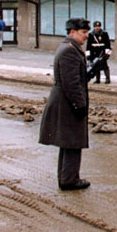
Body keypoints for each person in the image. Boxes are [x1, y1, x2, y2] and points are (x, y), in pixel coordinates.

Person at [39, 17, 93, 191]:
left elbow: (76, 77)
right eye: (83, 32)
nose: (86, 36)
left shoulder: (70, 48)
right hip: (67, 102)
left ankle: (67, 177)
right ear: (72, 32)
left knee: (68, 141)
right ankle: (69, 180)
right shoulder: (70, 51)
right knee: (73, 141)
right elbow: (71, 83)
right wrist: (79, 105)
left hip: (64, 101)